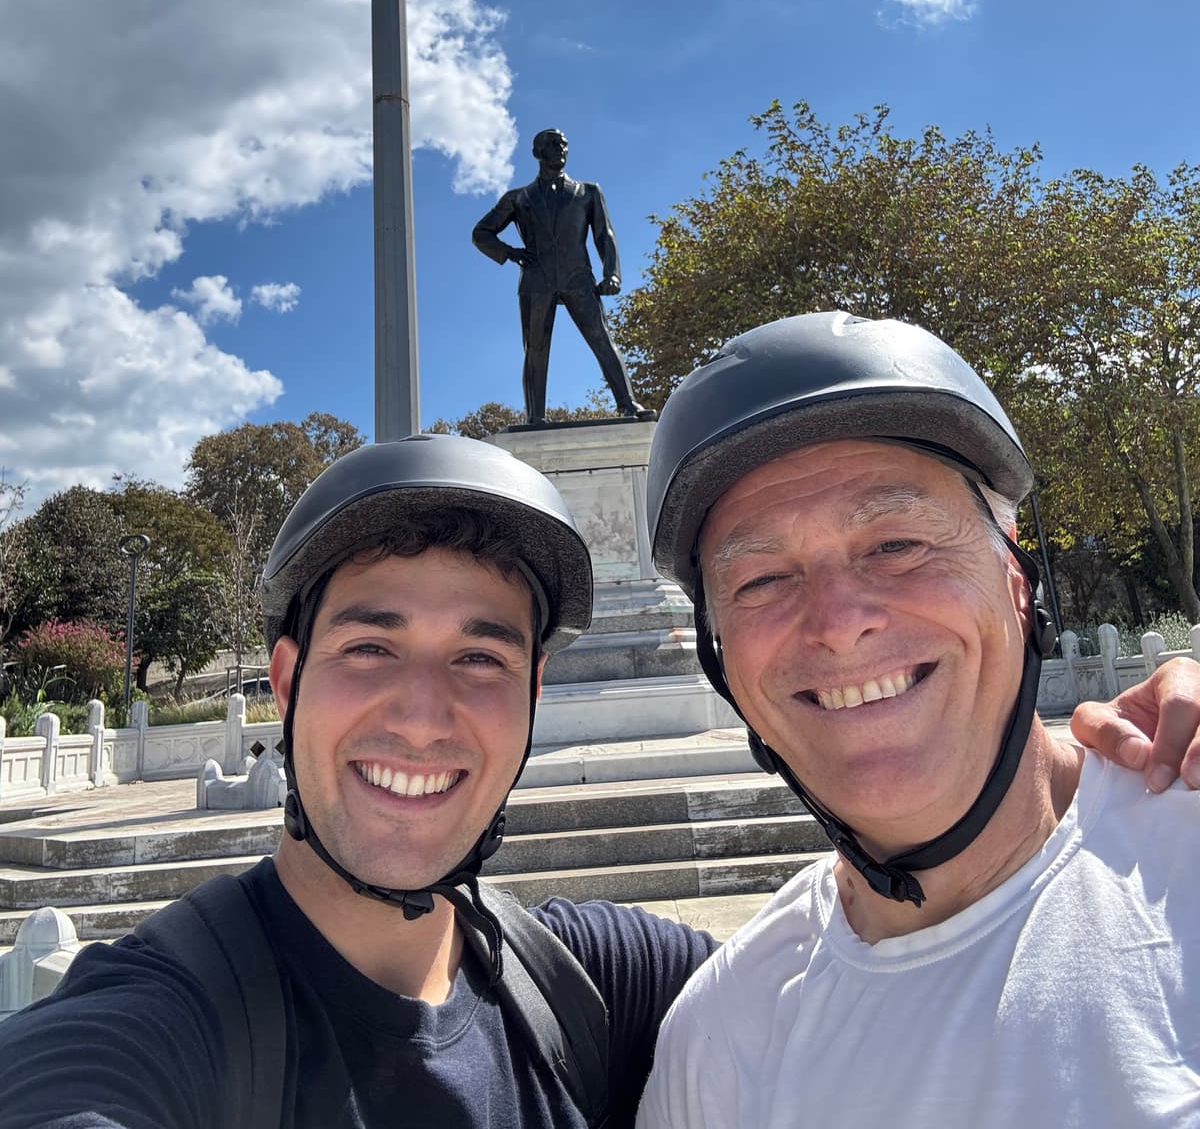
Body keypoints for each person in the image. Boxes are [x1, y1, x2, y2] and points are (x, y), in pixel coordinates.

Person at [0, 430, 1195, 1129]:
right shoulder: (154, 1025)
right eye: (370, 646)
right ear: (284, 678)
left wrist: (1112, 773)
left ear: (531, 697)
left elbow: (888, 965)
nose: (422, 712)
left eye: (481, 657)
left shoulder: (606, 986)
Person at [637, 311, 1200, 1128]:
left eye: (896, 544)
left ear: (1016, 581)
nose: (839, 624)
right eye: (761, 580)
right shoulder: (718, 1043)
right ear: (721, 655)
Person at [472, 127, 647, 423]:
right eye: (553, 144)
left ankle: (628, 403)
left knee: (601, 338)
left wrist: (612, 273)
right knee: (535, 348)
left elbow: (604, 235)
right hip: (536, 280)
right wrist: (510, 252)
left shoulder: (588, 192)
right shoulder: (518, 198)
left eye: (564, 144)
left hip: (578, 276)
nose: (561, 149)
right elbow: (481, 233)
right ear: (537, 152)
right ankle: (535, 417)